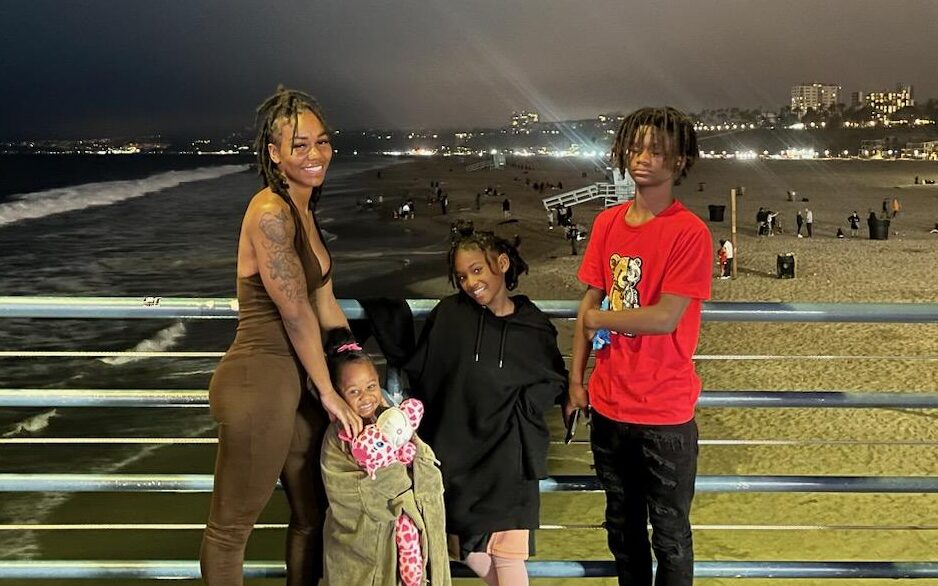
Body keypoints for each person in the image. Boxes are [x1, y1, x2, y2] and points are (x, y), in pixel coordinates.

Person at [200, 87, 363, 586]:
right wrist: (329, 393)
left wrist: (356, 365)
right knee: (230, 530)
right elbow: (294, 314)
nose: (316, 154)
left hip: (299, 379)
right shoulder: (270, 212)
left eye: (322, 141)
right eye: (300, 145)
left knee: (314, 515)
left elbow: (324, 303)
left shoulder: (305, 210)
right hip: (261, 379)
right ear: (274, 154)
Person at [567, 107, 711, 586]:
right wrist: (575, 381)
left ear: (680, 160)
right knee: (622, 528)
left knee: (670, 537)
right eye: (635, 147)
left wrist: (599, 319)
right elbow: (588, 299)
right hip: (608, 406)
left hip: (665, 414)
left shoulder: (689, 232)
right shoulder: (608, 223)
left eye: (657, 150)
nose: (643, 158)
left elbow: (665, 317)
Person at [405, 231, 568, 586]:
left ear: (502, 264)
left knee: (508, 554)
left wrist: (525, 405)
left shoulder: (533, 325)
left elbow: (554, 378)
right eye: (462, 276)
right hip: (458, 456)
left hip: (510, 458)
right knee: (464, 548)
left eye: (477, 270)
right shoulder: (450, 316)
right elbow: (423, 372)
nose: (470, 283)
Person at [320, 330, 451, 586]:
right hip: (367, 542)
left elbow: (421, 457)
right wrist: (396, 477)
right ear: (338, 394)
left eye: (371, 387)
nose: (366, 397)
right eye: (354, 392)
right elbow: (346, 491)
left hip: (408, 532)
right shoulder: (338, 438)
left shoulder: (391, 418)